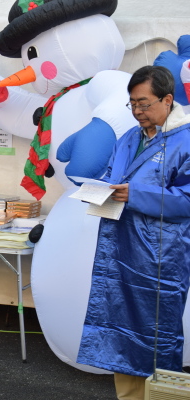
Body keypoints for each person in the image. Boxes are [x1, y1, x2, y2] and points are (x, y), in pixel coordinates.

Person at [76, 66, 190, 400]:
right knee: (118, 331)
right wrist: (100, 190)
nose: (137, 111)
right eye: (132, 104)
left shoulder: (186, 141)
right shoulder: (129, 138)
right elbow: (112, 175)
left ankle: (160, 396)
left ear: (168, 100)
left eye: (144, 103)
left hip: (160, 258)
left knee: (157, 334)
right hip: (119, 249)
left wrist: (134, 195)